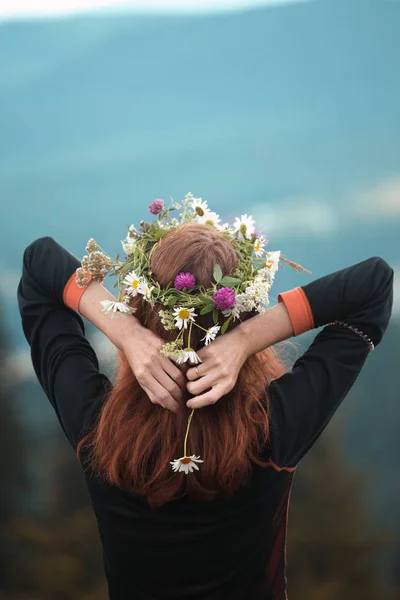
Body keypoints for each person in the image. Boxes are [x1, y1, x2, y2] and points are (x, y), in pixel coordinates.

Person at [17, 196, 393, 600]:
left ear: (142, 309)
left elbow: (41, 265)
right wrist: (246, 341)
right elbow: (373, 286)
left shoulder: (97, 431)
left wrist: (125, 332)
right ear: (242, 312)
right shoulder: (272, 431)